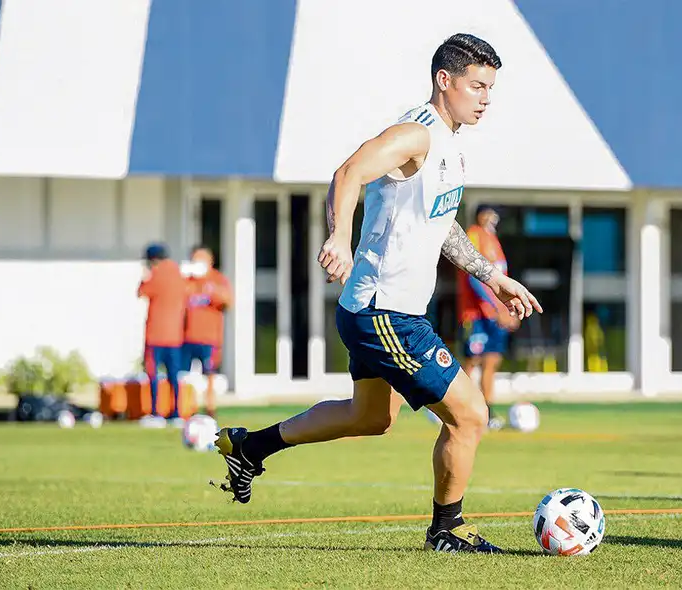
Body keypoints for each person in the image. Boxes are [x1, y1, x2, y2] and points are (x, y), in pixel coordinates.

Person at [213, 33, 542, 553]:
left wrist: (492, 276)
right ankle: (448, 530)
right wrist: (338, 236)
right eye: (477, 86)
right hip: (384, 313)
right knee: (471, 415)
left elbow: (442, 225)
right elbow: (348, 173)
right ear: (444, 81)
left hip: (379, 312)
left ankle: (251, 447)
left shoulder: (451, 148)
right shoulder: (416, 134)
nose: (485, 98)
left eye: (490, 89)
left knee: (371, 417)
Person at [457, 204, 518, 430]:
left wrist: (507, 308)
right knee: (471, 362)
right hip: (476, 314)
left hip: (496, 315)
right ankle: (455, 407)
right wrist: (496, 307)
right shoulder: (474, 234)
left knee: (491, 361)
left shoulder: (494, 241)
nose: (494, 218)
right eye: (490, 213)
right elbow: (474, 277)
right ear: (481, 215)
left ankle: (488, 412)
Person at [137, 243, 188, 428]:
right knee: (174, 376)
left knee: (153, 375)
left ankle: (155, 412)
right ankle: (176, 413)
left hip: (155, 335)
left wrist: (145, 276)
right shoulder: (179, 275)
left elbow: (141, 292)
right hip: (175, 335)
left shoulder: (155, 275)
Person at [182, 245, 233, 418]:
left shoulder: (218, 280)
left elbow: (228, 301)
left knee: (209, 375)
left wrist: (214, 292)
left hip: (210, 338)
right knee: (188, 377)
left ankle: (210, 409)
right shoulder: (187, 281)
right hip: (187, 336)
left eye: (201, 259)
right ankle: (189, 409)